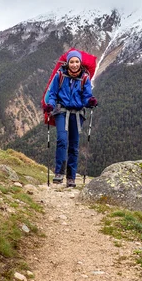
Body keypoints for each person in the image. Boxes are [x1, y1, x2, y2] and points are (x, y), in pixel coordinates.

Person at [45, 50, 98, 188]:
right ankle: (59, 173)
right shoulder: (60, 75)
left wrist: (90, 101)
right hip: (61, 110)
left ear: (80, 63)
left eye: (77, 62)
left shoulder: (85, 78)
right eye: (72, 62)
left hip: (77, 113)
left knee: (74, 146)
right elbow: (53, 93)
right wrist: (50, 105)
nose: (74, 64)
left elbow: (86, 97)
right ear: (67, 63)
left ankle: (71, 177)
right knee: (62, 140)